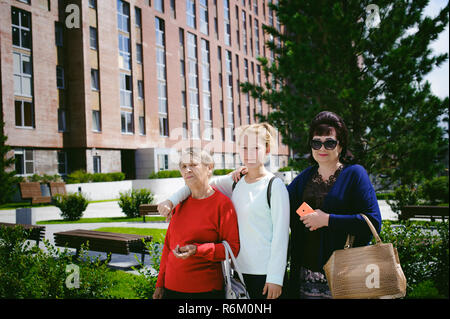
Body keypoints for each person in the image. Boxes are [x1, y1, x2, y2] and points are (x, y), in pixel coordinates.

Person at [232, 111, 382, 299]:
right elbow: (283, 206)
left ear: (341, 144)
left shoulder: (354, 175)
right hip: (306, 276)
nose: (322, 147)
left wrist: (327, 220)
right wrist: (249, 172)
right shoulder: (304, 179)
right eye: (316, 142)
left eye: (330, 142)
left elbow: (373, 222)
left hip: (346, 273)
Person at [158, 123, 290, 299]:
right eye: (244, 148)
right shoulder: (235, 182)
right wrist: (171, 201)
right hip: (238, 273)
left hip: (266, 276)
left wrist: (275, 278)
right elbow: (197, 184)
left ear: (266, 150)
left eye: (255, 148)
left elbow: (281, 237)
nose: (249, 153)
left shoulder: (275, 186)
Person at [153, 148, 240, 299]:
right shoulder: (179, 204)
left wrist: (197, 250)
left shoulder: (222, 205)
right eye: (183, 166)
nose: (187, 170)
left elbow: (233, 248)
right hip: (171, 288)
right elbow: (168, 246)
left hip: (206, 290)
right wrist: (160, 284)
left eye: (193, 165)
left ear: (209, 168)